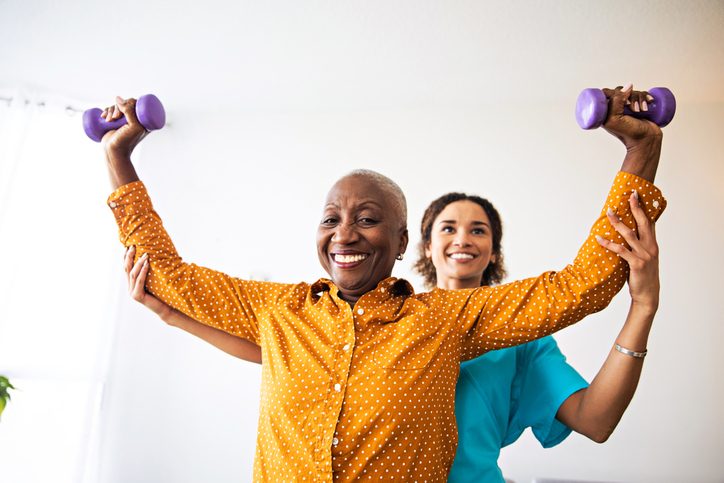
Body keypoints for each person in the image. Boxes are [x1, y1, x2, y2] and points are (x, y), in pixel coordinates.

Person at [101, 84, 666, 482]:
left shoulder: (446, 321)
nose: (344, 232)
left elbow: (582, 286)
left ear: (400, 246)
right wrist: (117, 155)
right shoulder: (280, 312)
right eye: (331, 218)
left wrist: (641, 151)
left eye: (367, 218)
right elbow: (170, 278)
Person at [413, 191, 659, 482]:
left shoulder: (522, 340)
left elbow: (595, 420)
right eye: (448, 228)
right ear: (428, 247)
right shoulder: (395, 323)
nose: (463, 239)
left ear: (494, 252)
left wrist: (643, 306)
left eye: (478, 230)